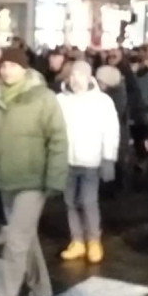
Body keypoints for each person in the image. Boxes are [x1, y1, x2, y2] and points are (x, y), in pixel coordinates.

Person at [0, 47, 67, 296]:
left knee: (15, 242)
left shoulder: (43, 98)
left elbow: (58, 139)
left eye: (13, 66)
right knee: (26, 239)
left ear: (25, 69)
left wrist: (55, 178)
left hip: (33, 181)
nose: (6, 70)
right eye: (3, 66)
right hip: (6, 180)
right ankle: (42, 292)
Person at [56, 61, 120, 264]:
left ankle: (93, 240)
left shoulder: (102, 101)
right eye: (73, 75)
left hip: (91, 160)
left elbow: (111, 131)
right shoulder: (60, 100)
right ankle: (77, 240)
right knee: (70, 202)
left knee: (88, 201)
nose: (76, 80)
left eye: (80, 75)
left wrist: (108, 158)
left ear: (89, 77)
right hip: (66, 160)